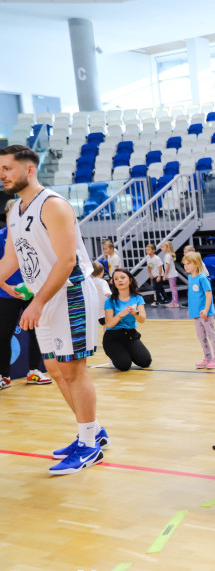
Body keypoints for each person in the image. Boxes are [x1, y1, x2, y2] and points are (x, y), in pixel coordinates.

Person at [0, 145, 104, 474]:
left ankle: (90, 446)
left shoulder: (54, 205)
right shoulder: (13, 210)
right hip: (43, 295)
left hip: (69, 293)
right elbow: (11, 259)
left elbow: (68, 260)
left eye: (7, 168)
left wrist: (38, 302)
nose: (2, 175)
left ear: (29, 169)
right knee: (56, 371)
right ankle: (93, 431)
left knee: (74, 370)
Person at [0, 201, 50, 387]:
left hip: (33, 293)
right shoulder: (0, 237)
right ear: (7, 216)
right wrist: (6, 287)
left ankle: (35, 372)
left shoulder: (35, 237)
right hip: (5, 293)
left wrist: (37, 288)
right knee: (3, 334)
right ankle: (4, 376)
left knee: (37, 332)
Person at [102, 268, 152, 372]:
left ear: (130, 280)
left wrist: (136, 313)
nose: (119, 280)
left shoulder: (137, 298)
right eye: (116, 279)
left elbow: (142, 319)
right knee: (124, 366)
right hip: (113, 338)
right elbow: (109, 324)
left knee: (146, 362)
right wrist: (120, 315)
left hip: (130, 336)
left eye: (122, 277)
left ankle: (127, 352)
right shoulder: (110, 301)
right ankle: (115, 354)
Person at [184, 251, 215, 370]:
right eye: (185, 264)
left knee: (211, 335)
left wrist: (205, 310)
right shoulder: (190, 278)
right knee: (201, 336)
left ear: (197, 264)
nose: (186, 266)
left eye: (188, 263)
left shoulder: (203, 278)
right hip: (196, 314)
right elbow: (191, 295)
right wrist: (190, 308)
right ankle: (207, 358)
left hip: (205, 313)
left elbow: (209, 295)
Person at [159, 240, 180, 308]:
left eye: (163, 247)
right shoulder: (168, 255)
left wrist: (165, 275)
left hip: (172, 275)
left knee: (173, 289)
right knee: (172, 288)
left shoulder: (167, 256)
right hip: (171, 274)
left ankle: (175, 302)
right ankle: (174, 301)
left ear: (167, 248)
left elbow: (167, 266)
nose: (161, 248)